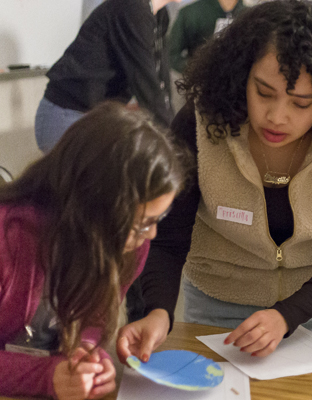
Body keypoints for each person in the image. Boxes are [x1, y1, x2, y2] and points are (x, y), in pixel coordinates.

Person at [125, 0, 312, 360]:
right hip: (218, 305)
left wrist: (286, 316)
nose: (276, 117)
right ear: (241, 76)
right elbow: (168, 239)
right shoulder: (202, 125)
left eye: (300, 103)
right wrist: (157, 311)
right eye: (263, 93)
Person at [0, 102, 185, 399]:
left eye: (157, 219)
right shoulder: (8, 237)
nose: (151, 234)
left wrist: (86, 355)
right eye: (141, 223)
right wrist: (47, 377)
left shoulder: (130, 246)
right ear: (91, 209)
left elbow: (94, 319)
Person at [34, 0, 178, 153]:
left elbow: (160, 81)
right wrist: (173, 143)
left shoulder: (159, 15)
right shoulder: (132, 7)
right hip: (68, 115)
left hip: (93, 117)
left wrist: (173, 133)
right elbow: (146, 85)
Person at [169, 0, 246, 74]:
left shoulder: (250, 15)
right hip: (201, 83)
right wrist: (198, 71)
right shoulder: (191, 12)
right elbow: (171, 54)